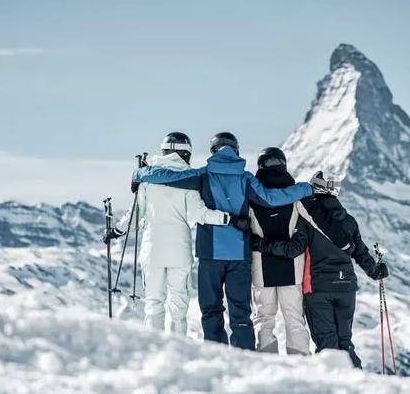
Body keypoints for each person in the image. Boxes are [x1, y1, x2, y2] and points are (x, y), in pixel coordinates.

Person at [132, 132, 313, 350]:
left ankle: (215, 357)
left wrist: (141, 172)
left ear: (213, 151)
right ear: (236, 150)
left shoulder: (203, 175)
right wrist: (307, 187)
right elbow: (272, 199)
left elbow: (167, 177)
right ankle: (244, 359)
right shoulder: (246, 178)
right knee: (240, 314)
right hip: (239, 256)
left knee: (211, 311)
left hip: (210, 255)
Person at [103, 132, 248, 335]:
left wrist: (116, 231)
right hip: (180, 251)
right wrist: (229, 219)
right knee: (178, 308)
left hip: (152, 250)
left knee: (153, 304)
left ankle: (155, 348)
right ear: (186, 154)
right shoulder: (189, 182)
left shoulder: (148, 179)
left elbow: (134, 215)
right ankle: (179, 351)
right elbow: (201, 214)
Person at [251, 171, 389, 367]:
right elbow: (360, 252)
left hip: (318, 288)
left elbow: (294, 249)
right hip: (346, 287)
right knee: (345, 342)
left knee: (327, 346)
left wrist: (260, 244)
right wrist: (376, 271)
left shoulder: (307, 218)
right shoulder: (348, 221)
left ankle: (333, 390)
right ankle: (356, 382)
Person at [248, 147, 310, 355]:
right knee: (294, 318)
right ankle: (300, 364)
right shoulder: (296, 198)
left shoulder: (252, 199)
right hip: (291, 269)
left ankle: (267, 364)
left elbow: (245, 235)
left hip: (261, 270)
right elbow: (305, 232)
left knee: (264, 319)